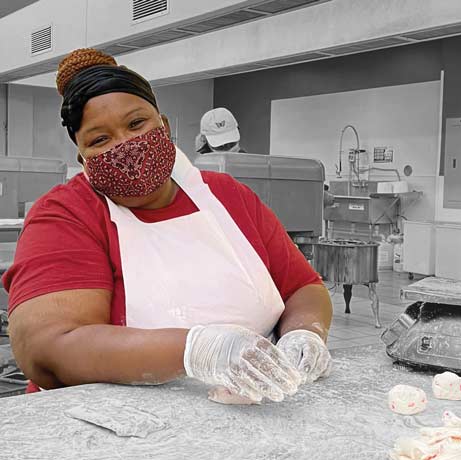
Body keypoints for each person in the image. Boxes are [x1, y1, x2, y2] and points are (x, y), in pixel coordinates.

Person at [2, 48, 333, 403]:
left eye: (136, 124)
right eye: (100, 139)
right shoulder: (67, 214)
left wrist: (305, 334)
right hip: (119, 430)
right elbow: (47, 348)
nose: (125, 145)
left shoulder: (226, 196)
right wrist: (198, 350)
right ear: (81, 157)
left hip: (257, 413)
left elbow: (302, 286)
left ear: (164, 126)